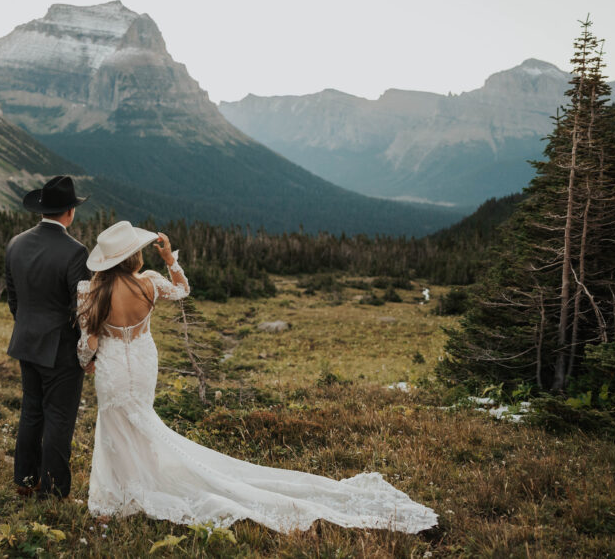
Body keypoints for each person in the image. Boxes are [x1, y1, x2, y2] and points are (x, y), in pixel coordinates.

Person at [76, 221, 437, 533]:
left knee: (116, 430)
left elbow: (87, 346)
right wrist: (170, 258)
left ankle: (122, 496)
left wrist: (88, 363)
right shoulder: (150, 283)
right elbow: (184, 289)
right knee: (144, 424)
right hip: (142, 365)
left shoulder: (92, 293)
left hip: (113, 371)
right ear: (134, 255)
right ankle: (144, 484)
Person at [4, 175, 90, 499]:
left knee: (32, 411)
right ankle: (53, 492)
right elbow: (82, 308)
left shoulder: (15, 243)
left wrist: (28, 326)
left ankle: (26, 481)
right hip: (61, 351)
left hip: (26, 342)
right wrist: (87, 351)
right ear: (69, 212)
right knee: (59, 418)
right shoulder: (76, 252)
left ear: (42, 209)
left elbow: (14, 299)